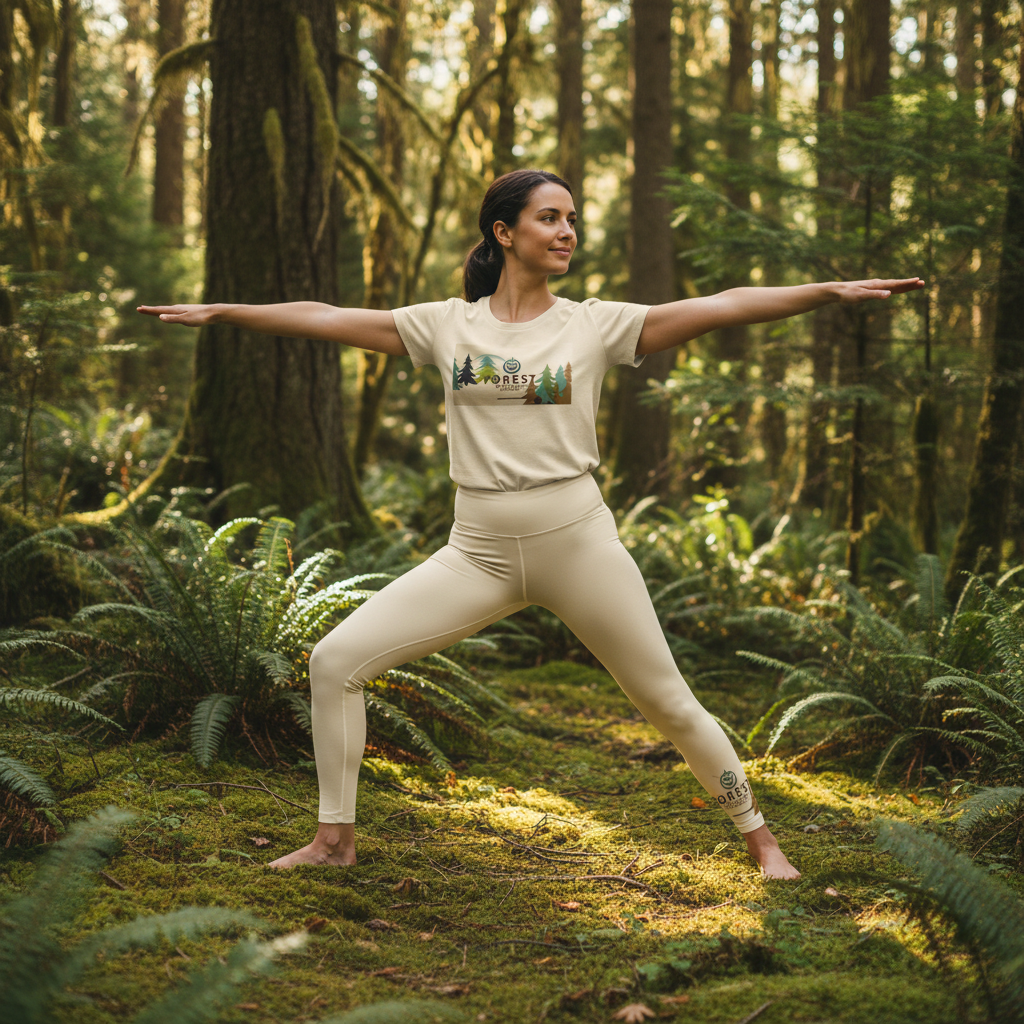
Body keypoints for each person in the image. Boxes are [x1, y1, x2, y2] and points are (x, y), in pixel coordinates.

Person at [138, 168, 923, 880]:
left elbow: (719, 309)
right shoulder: (445, 326)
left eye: (573, 220)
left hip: (577, 542)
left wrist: (827, 291)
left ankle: (761, 840)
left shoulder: (595, 324)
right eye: (551, 218)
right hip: (474, 552)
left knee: (670, 702)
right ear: (504, 233)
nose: (568, 232)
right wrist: (225, 312)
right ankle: (334, 839)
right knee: (335, 660)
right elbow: (329, 317)